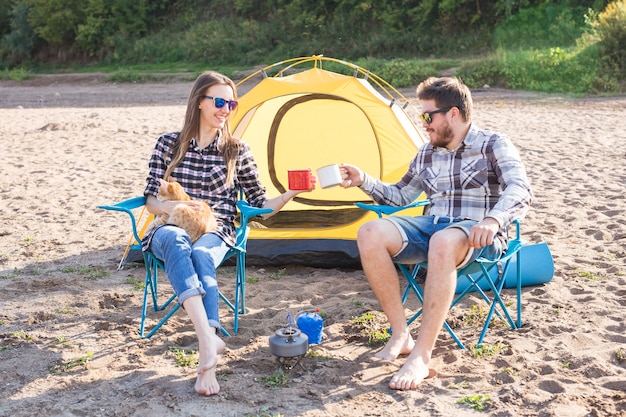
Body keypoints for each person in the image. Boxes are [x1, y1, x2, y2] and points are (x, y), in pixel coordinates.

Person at [339, 76, 532, 390]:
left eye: (428, 116)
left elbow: (520, 190)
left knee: (442, 241)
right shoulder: (427, 152)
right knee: (370, 232)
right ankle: (401, 334)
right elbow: (399, 196)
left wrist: (494, 220)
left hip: (479, 234)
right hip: (433, 230)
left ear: (452, 114)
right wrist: (364, 180)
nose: (424, 123)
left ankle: (421, 357)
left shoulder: (493, 143)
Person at [142, 71, 314, 396]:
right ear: (199, 102)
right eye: (219, 101)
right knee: (178, 241)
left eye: (231, 103)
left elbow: (260, 202)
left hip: (216, 228)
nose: (226, 109)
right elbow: (150, 200)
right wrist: (177, 210)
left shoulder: (236, 150)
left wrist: (290, 192)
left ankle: (207, 347)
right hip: (167, 226)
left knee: (201, 253)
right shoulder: (169, 144)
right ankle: (209, 338)